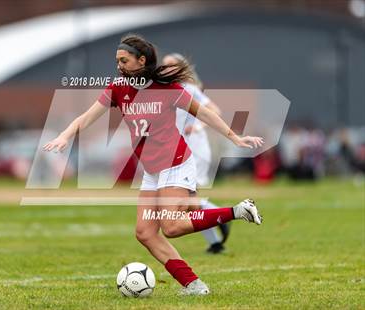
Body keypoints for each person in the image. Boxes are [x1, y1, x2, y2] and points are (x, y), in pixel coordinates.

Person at [44, 34, 264, 295]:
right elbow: (86, 117)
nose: (119, 66)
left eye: (124, 60)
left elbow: (205, 112)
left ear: (142, 61)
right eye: (117, 61)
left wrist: (234, 137)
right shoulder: (118, 89)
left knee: (171, 226)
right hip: (152, 171)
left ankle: (238, 211)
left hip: (177, 164)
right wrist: (64, 136)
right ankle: (194, 285)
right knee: (145, 233)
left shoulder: (169, 90)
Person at [162, 53, 230, 254]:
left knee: (188, 200)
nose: (166, 69)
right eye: (163, 66)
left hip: (194, 150)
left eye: (171, 66)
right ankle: (216, 236)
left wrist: (198, 126)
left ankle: (220, 219)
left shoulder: (189, 89)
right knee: (188, 200)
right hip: (178, 152)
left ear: (181, 69)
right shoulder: (165, 91)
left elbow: (214, 110)